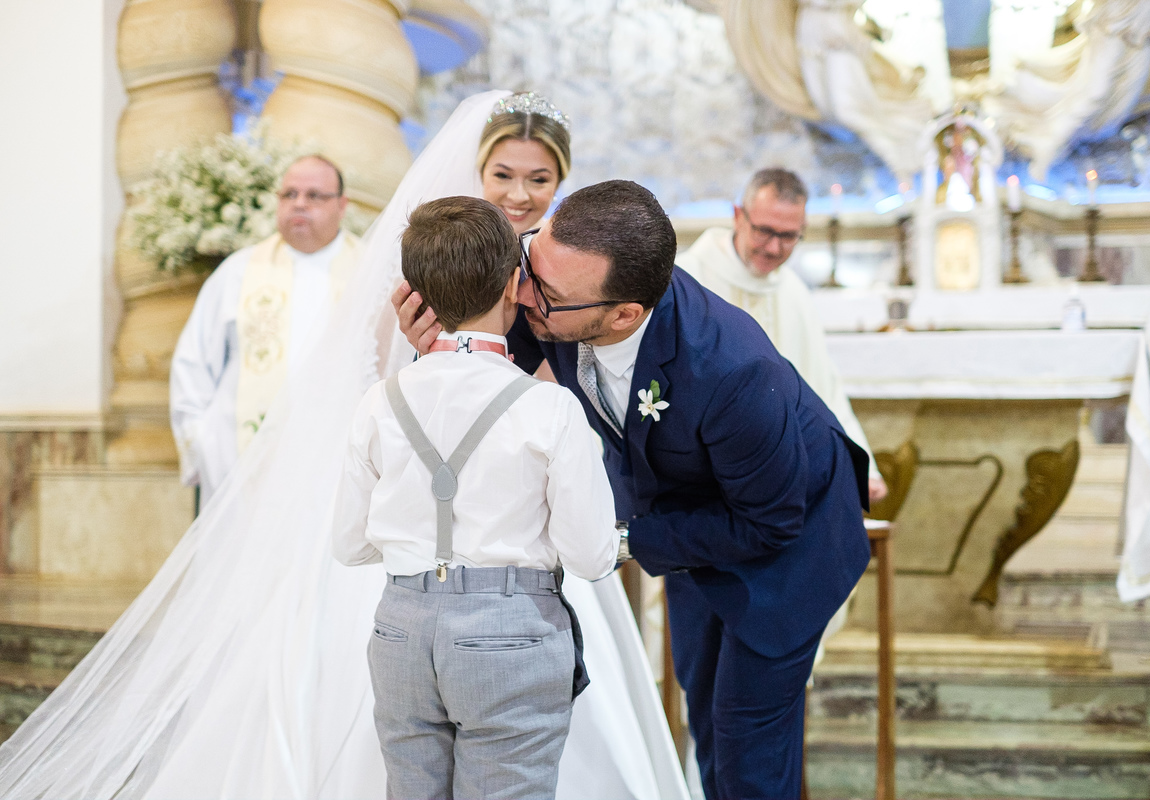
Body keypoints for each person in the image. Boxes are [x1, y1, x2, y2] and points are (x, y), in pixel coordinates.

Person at [0, 92, 686, 800]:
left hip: (428, 595)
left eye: (538, 179)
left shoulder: (566, 275)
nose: (518, 194)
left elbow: (355, 537)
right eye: (503, 175)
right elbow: (576, 537)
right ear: (477, 173)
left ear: (561, 183)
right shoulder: (457, 303)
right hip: (502, 593)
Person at [396, 180, 871, 800]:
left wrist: (619, 538)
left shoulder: (733, 372)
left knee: (747, 744)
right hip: (693, 521)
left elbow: (769, 522)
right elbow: (478, 384)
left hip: (792, 546)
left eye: (546, 295)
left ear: (624, 315)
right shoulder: (553, 289)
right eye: (530, 265)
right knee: (706, 715)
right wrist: (436, 353)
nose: (520, 295)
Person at [334, 196, 621, 798]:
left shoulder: (379, 401)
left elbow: (350, 544)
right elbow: (591, 558)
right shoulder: (551, 408)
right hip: (510, 633)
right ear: (515, 284)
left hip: (401, 631)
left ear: (416, 293)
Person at [676, 167, 887, 505]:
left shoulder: (794, 293)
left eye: (788, 236)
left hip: (779, 478)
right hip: (699, 478)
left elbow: (822, 387)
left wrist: (863, 468)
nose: (774, 247)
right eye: (764, 231)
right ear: (738, 216)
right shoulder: (686, 283)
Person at [170, 154, 359, 506]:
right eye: (289, 194)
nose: (299, 204)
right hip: (237, 467)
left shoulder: (370, 271)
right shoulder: (238, 272)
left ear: (342, 205)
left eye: (314, 195)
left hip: (335, 466)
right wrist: (201, 443)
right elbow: (193, 361)